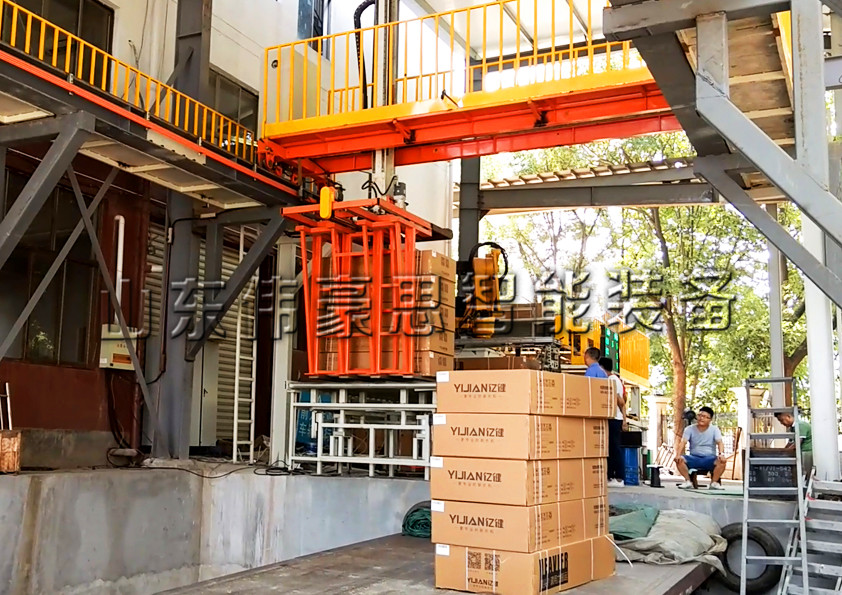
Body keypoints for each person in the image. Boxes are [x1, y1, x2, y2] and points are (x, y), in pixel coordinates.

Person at [674, 406, 727, 490]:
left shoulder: (715, 429)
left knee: (722, 461)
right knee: (679, 460)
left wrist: (722, 454)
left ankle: (714, 483)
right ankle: (688, 481)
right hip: (693, 458)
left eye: (705, 417)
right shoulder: (689, 429)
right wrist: (678, 455)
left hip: (710, 459)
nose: (701, 418)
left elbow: (720, 442)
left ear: (710, 419)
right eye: (700, 415)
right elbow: (683, 442)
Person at [600, 357, 627, 487]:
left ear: (602, 368)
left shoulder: (611, 380)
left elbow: (620, 401)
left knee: (614, 448)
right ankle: (611, 476)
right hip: (616, 418)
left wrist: (624, 420)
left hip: (614, 418)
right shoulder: (616, 379)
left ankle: (619, 477)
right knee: (612, 448)